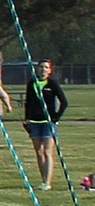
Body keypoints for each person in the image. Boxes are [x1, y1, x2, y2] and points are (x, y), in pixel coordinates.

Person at [24, 60, 69, 192]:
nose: (43, 69)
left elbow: (64, 102)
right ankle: (43, 179)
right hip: (35, 122)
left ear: (50, 70)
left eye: (46, 67)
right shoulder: (32, 83)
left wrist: (55, 117)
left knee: (48, 151)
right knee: (39, 152)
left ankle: (48, 182)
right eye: (41, 67)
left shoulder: (52, 84)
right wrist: (27, 118)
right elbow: (28, 101)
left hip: (48, 122)